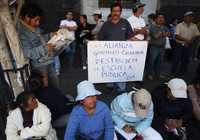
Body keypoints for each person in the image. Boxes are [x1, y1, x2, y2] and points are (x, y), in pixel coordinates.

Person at [16, 3, 59, 89]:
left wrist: (49, 35)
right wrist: (46, 48)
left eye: (39, 20)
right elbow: (28, 52)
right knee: (45, 89)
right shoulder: (21, 33)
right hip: (40, 66)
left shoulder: (34, 27)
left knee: (55, 85)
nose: (38, 23)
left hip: (48, 61)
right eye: (36, 20)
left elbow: (40, 39)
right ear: (27, 17)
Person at [98, 2, 134, 93]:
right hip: (108, 55)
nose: (115, 13)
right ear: (111, 12)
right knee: (109, 69)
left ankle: (121, 88)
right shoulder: (106, 24)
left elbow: (131, 37)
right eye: (114, 11)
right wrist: (92, 44)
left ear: (120, 12)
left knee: (121, 70)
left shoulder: (125, 23)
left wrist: (141, 43)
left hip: (122, 54)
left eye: (118, 11)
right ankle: (109, 85)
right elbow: (100, 39)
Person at [171, 11, 200, 75]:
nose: (191, 18)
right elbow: (176, 36)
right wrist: (187, 40)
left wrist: (191, 40)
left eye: (192, 17)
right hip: (179, 45)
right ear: (185, 17)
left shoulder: (194, 25)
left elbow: (197, 34)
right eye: (189, 16)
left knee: (186, 59)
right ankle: (173, 72)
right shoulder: (179, 25)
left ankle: (183, 72)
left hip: (189, 45)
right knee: (176, 59)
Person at [147, 13, 170, 80]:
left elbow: (169, 34)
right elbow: (155, 36)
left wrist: (161, 34)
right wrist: (163, 34)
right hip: (154, 47)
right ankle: (150, 74)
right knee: (151, 61)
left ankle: (158, 74)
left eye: (162, 18)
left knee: (160, 62)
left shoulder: (165, 27)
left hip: (162, 47)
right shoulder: (152, 27)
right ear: (156, 19)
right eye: (159, 18)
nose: (161, 19)